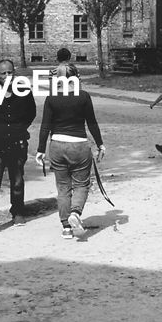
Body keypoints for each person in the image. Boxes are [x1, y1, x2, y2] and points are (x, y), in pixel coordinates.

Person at [36, 64, 105, 240]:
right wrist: (100, 144)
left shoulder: (51, 98)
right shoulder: (83, 97)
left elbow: (45, 126)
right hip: (79, 145)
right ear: (77, 77)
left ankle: (66, 227)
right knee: (81, 184)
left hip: (57, 145)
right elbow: (92, 122)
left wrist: (40, 150)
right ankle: (75, 212)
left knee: (63, 187)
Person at [0, 59, 37, 235]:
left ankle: (18, 212)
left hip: (17, 143)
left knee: (17, 180)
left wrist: (18, 129)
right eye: (3, 73)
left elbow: (31, 113)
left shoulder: (24, 91)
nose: (7, 76)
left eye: (10, 72)